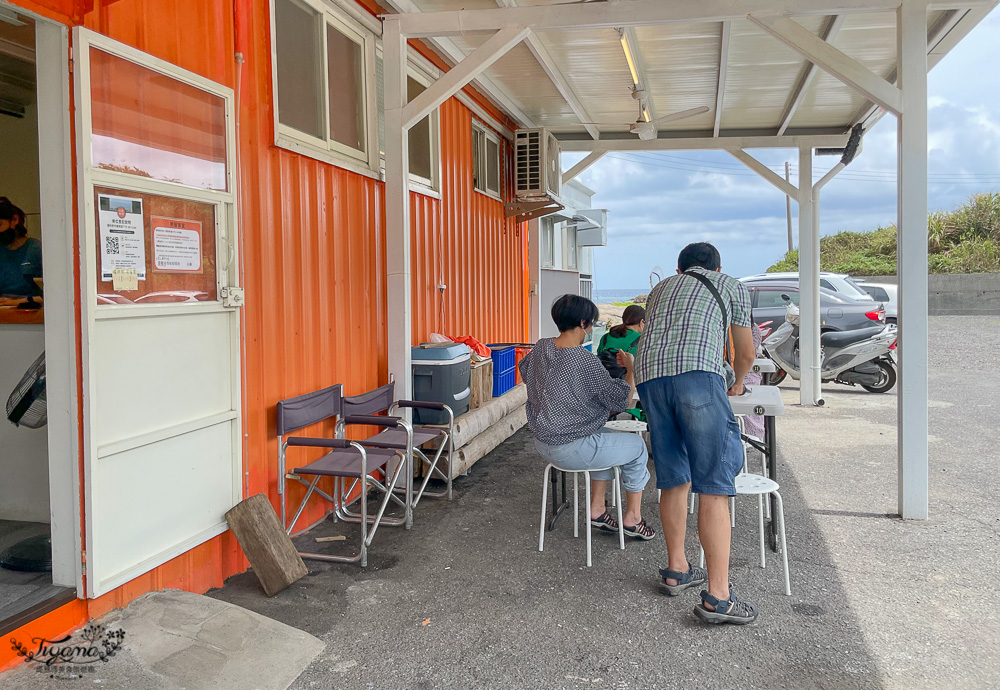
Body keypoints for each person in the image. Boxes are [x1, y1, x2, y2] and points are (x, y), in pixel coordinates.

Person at [635, 242, 756, 624]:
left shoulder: (660, 289)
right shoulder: (729, 284)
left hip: (650, 379)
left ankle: (677, 569)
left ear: (681, 267)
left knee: (673, 476)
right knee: (714, 481)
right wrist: (736, 383)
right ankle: (719, 596)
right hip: (698, 377)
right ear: (717, 266)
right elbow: (746, 352)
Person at [519, 294, 656, 539]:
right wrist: (631, 369)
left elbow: (527, 372)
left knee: (605, 434)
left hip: (543, 441)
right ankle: (633, 519)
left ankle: (598, 511)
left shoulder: (541, 346)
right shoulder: (584, 360)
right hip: (569, 447)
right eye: (591, 323)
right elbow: (620, 401)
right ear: (584, 323)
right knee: (637, 447)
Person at [0, 198, 42, 297]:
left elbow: (48, 294)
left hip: (29, 308)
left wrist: (18, 302)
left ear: (15, 220)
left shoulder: (35, 249)